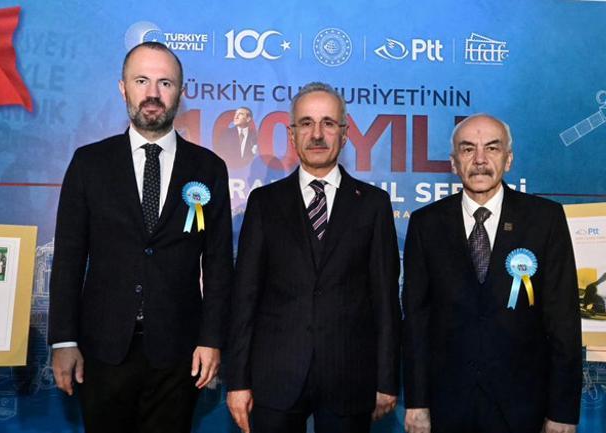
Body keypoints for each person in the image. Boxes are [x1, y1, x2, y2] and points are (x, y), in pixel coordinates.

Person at [48, 41, 233, 433]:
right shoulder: (89, 163)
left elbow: (218, 264)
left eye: (165, 83)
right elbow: (68, 256)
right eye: (141, 81)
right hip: (102, 351)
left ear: (181, 92)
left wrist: (212, 339)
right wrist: (63, 341)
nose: (153, 93)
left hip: (179, 353)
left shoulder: (209, 168)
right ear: (123, 88)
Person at [225, 82, 401, 433]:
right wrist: (238, 380)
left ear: (345, 134)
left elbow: (385, 300)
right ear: (292, 136)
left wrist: (387, 378)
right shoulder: (264, 204)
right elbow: (245, 297)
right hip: (275, 377)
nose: (317, 134)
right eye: (306, 123)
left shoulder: (373, 204)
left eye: (328, 123)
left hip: (350, 377)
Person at [402, 114, 582, 433]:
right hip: (448, 406)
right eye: (468, 149)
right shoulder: (425, 224)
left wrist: (563, 411)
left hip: (523, 407)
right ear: (454, 163)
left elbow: (563, 321)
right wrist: (417, 402)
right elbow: (416, 321)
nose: (480, 160)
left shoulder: (545, 219)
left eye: (492, 148)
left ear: (508, 159)